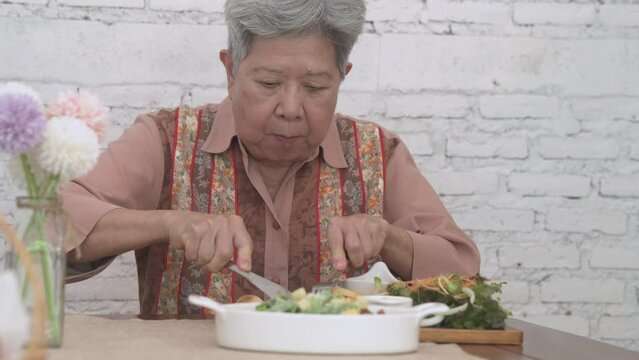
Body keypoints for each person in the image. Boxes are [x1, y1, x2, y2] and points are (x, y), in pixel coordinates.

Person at [61, 0, 480, 316]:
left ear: (342, 77)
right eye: (269, 83)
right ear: (230, 71)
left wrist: (389, 239)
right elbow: (52, 224)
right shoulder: (165, 140)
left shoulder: (376, 152)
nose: (291, 108)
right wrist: (170, 222)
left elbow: (464, 276)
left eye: (316, 87)